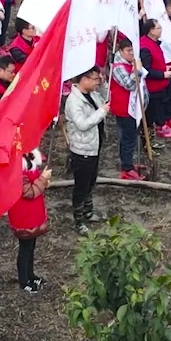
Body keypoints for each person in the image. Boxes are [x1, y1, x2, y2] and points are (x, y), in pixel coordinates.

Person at [64, 68, 108, 233]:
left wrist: (103, 85)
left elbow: (105, 99)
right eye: (95, 79)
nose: (97, 81)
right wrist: (101, 112)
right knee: (81, 185)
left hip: (94, 145)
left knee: (91, 180)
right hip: (82, 149)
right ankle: (79, 219)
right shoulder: (74, 101)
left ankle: (88, 211)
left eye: (98, 79)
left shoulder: (93, 94)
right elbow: (82, 124)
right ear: (83, 79)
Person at [9, 148, 51, 293]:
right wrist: (43, 179)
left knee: (31, 245)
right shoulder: (17, 166)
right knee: (25, 248)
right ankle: (23, 280)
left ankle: (30, 274)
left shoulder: (29, 159)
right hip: (23, 214)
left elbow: (35, 181)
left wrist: (43, 181)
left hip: (32, 212)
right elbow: (28, 192)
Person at [109, 36, 143, 181]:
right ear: (120, 51)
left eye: (133, 51)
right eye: (129, 51)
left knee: (131, 136)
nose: (132, 54)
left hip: (132, 106)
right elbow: (129, 84)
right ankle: (126, 168)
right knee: (128, 137)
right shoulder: (118, 68)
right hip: (124, 108)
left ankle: (128, 162)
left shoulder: (130, 62)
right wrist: (138, 71)